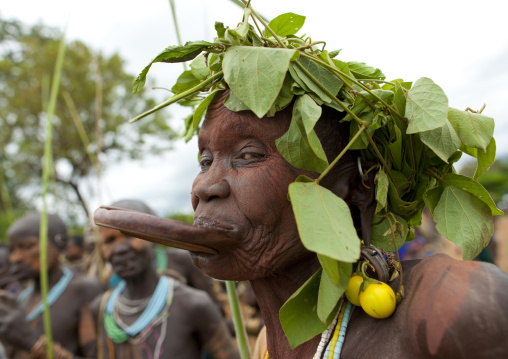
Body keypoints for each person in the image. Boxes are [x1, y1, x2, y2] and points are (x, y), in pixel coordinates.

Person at [89, 199, 240, 359]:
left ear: (153, 238)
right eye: (110, 241)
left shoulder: (193, 305)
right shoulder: (101, 309)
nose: (120, 249)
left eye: (129, 235)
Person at [0, 212, 104, 359]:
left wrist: (31, 342)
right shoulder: (21, 298)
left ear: (59, 243)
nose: (15, 258)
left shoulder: (83, 290)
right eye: (13, 250)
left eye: (27, 246)